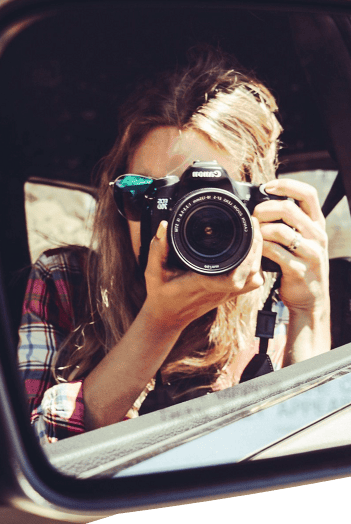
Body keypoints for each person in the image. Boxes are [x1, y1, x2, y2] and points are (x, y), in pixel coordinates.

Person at [18, 49, 331, 444]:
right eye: (146, 194)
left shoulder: (271, 289)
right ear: (118, 200)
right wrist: (160, 322)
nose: (175, 222)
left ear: (256, 205)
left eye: (208, 199)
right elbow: (36, 451)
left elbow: (312, 442)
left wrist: (310, 307)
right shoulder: (67, 282)